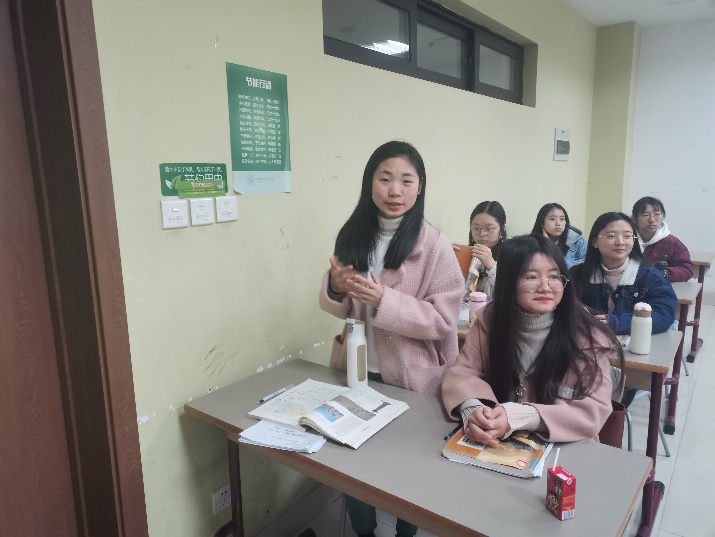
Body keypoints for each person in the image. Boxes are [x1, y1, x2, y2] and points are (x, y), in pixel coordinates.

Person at [319, 141, 463, 537]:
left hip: (412, 378)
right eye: (384, 179)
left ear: (420, 187)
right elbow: (346, 307)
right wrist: (336, 287)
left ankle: (405, 533)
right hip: (358, 371)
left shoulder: (435, 245)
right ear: (370, 183)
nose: (395, 190)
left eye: (406, 181)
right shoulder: (354, 235)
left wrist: (386, 301)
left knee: (407, 470)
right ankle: (364, 532)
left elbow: (444, 320)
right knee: (353, 464)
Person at [442, 234, 624, 445]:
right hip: (500, 444)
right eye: (531, 277)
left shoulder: (589, 335)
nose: (545, 287)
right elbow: (462, 373)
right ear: (508, 281)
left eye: (554, 276)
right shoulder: (490, 320)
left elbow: (593, 411)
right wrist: (474, 409)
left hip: (565, 448)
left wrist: (523, 416)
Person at [571, 212, 677, 335]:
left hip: (636, 341)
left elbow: (664, 314)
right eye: (611, 236)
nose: (620, 242)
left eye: (627, 236)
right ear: (595, 242)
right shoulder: (577, 274)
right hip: (590, 339)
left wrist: (616, 322)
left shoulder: (650, 276)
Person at [632, 196, 693, 282]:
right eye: (645, 215)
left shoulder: (672, 243)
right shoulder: (626, 240)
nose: (652, 220)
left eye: (657, 214)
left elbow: (685, 270)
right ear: (635, 218)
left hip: (658, 286)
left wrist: (660, 273)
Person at [458, 201, 507, 299]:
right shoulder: (467, 254)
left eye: (489, 228)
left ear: (503, 228)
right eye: (476, 228)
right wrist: (448, 258)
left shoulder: (512, 255)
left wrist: (492, 266)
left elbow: (510, 293)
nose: (482, 234)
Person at [531, 203, 587, 268]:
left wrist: (558, 259)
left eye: (562, 219)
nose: (558, 223)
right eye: (552, 219)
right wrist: (547, 244)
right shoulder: (531, 242)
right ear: (542, 223)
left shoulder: (578, 240)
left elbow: (588, 264)